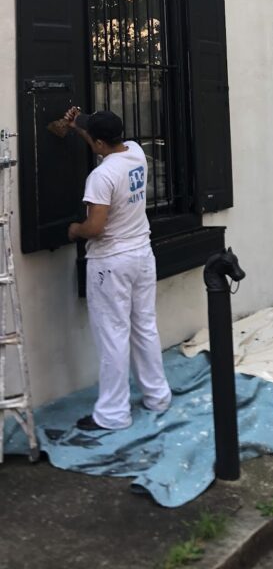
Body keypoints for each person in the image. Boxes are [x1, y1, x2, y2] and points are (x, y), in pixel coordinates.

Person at [64, 107, 171, 431]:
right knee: (144, 327)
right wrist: (78, 128)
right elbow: (102, 147)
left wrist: (75, 229)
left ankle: (113, 415)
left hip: (110, 263)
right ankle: (158, 396)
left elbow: (95, 227)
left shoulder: (100, 177)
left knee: (112, 336)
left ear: (99, 143)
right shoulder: (136, 153)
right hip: (141, 255)